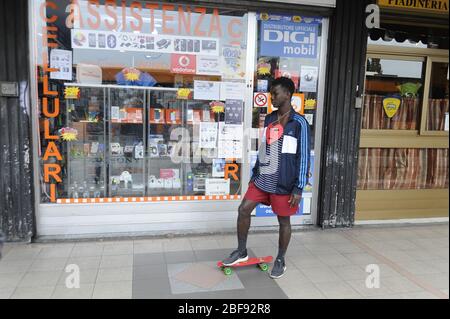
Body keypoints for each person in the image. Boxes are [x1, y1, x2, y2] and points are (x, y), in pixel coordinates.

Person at [222, 77, 310, 279]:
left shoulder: (299, 123)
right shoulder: (270, 119)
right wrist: (255, 172)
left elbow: (303, 156)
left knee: (283, 221)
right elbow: (265, 146)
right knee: (243, 209)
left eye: (275, 94)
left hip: (285, 182)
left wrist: (299, 187)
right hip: (264, 178)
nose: (272, 98)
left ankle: (280, 259)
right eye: (271, 94)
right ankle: (241, 251)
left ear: (288, 94)